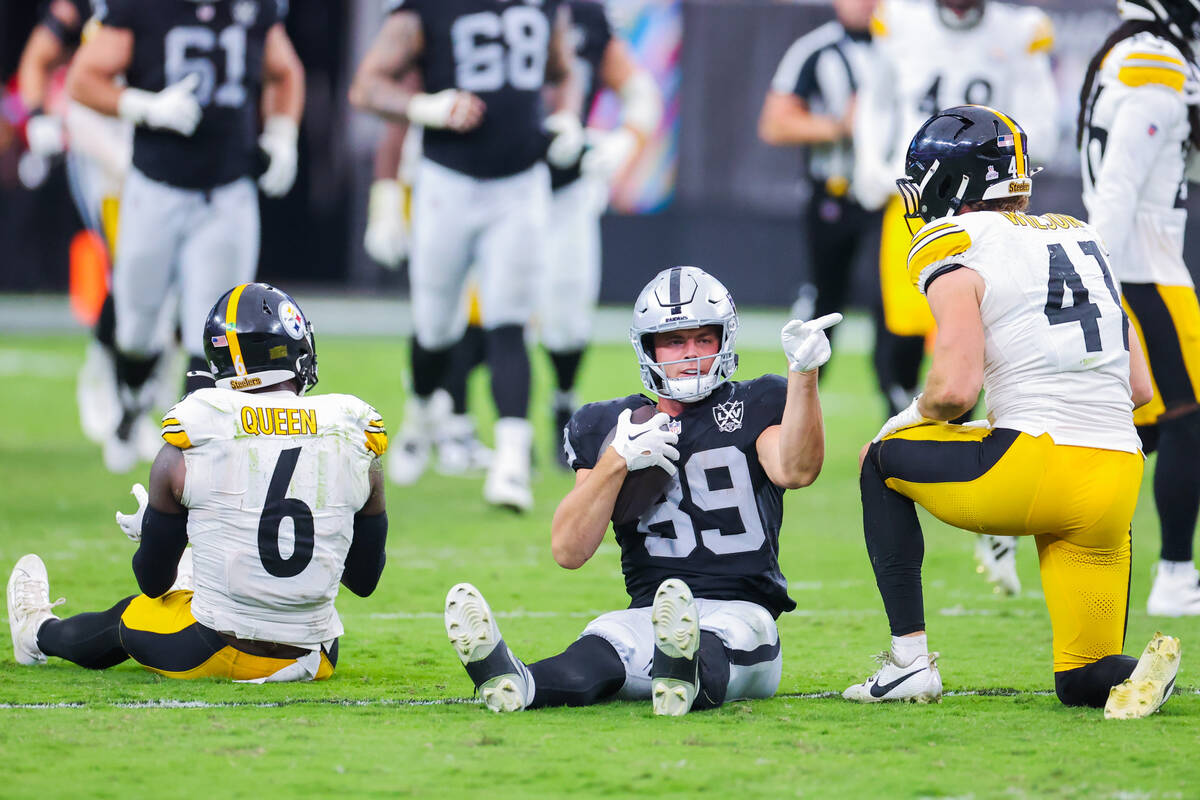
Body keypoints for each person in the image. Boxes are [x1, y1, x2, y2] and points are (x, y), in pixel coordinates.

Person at [844, 106, 1179, 719]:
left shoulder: (956, 243)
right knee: (1087, 678)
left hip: (1030, 464)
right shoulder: (1082, 235)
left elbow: (953, 390)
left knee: (879, 463)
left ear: (953, 182)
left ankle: (907, 665)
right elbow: (1139, 390)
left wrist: (907, 418)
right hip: (1114, 478)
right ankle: (1145, 672)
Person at [443, 266, 837, 715]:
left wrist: (804, 375)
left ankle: (682, 673)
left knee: (716, 644)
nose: (689, 354)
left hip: (742, 614)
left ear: (723, 342)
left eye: (702, 339)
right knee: (600, 645)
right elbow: (569, 550)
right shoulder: (611, 425)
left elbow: (796, 469)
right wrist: (618, 459)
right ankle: (520, 681)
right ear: (648, 347)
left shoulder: (756, 402)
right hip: (652, 613)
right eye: (674, 341)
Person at [6, 284, 388, 682]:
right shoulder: (354, 435)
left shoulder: (192, 439)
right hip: (317, 654)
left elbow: (153, 583)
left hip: (215, 648)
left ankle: (36, 631)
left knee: (129, 616)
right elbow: (363, 581)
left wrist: (160, 529)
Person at [853, 0, 1057, 596]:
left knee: (987, 340)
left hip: (988, 202)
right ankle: (934, 453)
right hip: (921, 196)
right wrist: (873, 159)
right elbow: (878, 97)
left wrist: (990, 163)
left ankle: (980, 467)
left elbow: (1042, 119)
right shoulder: (899, 20)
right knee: (903, 338)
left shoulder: (1021, 29)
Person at [349, 0, 579, 513]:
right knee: (435, 328)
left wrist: (565, 117)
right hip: (446, 183)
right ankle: (421, 411)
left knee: (509, 320)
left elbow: (564, 72)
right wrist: (424, 108)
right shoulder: (427, 9)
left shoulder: (543, 8)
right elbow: (366, 85)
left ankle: (512, 462)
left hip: (520, 184)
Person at [66, 0, 305, 474]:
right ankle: (132, 404)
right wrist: (143, 105)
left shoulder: (254, 9)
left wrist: (282, 132)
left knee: (214, 329)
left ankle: (188, 452)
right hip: (155, 187)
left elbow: (285, 71)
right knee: (136, 329)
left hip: (228, 190)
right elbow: (82, 79)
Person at [1079, 0, 1200, 617]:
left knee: (1142, 426)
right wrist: (1100, 275)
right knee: (1187, 421)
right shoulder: (1156, 64)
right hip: (1144, 271)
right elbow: (1120, 187)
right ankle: (1177, 574)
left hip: (1132, 265)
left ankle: (1026, 523)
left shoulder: (1123, 53)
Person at [540, 0, 662, 466]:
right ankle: (453, 417)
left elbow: (640, 93)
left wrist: (623, 140)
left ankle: (562, 400)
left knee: (567, 312)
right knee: (479, 308)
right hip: (491, 182)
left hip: (565, 188)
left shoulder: (584, 17)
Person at [17, 0, 134, 447]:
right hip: (103, 141)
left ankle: (149, 394)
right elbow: (38, 57)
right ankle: (105, 370)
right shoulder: (83, 7)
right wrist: (39, 116)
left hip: (162, 142)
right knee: (127, 269)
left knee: (170, 282)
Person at [758, 0, 878, 367]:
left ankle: (900, 395)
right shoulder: (814, 50)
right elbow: (774, 124)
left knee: (897, 304)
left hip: (896, 197)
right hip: (835, 194)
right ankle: (799, 398)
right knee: (824, 302)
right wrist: (840, 126)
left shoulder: (911, 47)